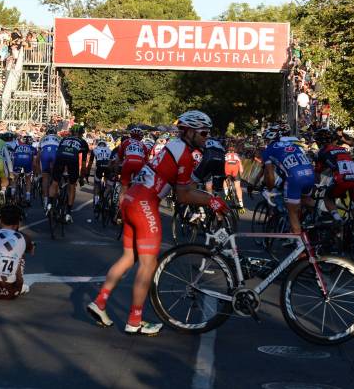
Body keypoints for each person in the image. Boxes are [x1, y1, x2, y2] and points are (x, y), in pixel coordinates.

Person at [87, 110, 229, 336]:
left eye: (208, 133)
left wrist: (207, 197)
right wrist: (212, 200)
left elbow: (186, 187)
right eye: (203, 132)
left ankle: (100, 301)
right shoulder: (183, 154)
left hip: (133, 197)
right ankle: (135, 320)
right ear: (190, 131)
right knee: (148, 264)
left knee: (128, 257)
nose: (206, 137)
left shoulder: (175, 146)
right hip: (145, 203)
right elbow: (183, 196)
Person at [258, 125, 315, 234]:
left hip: (294, 178)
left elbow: (270, 176)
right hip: (309, 173)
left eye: (266, 140)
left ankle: (300, 245)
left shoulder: (268, 150)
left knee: (292, 212)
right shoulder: (294, 145)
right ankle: (321, 218)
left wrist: (270, 189)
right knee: (306, 200)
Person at [0, 204, 35, 299]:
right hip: (10, 291)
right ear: (18, 222)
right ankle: (17, 287)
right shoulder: (23, 237)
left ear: (0, 220)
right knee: (20, 254)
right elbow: (32, 252)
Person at [47, 124, 90, 223]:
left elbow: (60, 153)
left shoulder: (64, 139)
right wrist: (82, 177)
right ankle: (68, 213)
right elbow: (83, 163)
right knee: (72, 186)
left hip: (60, 159)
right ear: (81, 134)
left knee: (55, 182)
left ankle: (49, 203)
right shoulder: (83, 142)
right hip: (72, 160)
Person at [114, 127, 151, 205]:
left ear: (131, 135)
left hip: (128, 163)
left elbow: (118, 159)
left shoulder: (125, 142)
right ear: (141, 137)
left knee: (124, 187)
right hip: (140, 164)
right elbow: (147, 163)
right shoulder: (143, 146)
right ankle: (134, 205)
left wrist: (116, 173)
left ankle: (121, 209)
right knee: (138, 188)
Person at [223, 142, 245, 213]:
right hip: (235, 169)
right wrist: (241, 173)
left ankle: (227, 194)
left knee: (225, 180)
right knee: (238, 187)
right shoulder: (237, 156)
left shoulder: (225, 155)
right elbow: (241, 169)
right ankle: (241, 205)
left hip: (228, 168)